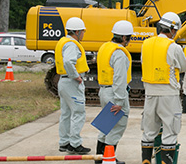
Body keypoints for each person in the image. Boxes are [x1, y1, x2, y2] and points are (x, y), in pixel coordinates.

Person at [140, 12, 186, 164]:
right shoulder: (173, 47)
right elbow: (184, 66)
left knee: (149, 132)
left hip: (150, 93)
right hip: (168, 93)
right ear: (173, 29)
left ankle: (146, 161)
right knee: (170, 131)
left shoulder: (145, 44)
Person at [94, 20, 134, 164]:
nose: (129, 40)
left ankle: (98, 158)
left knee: (105, 126)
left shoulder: (105, 47)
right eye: (129, 37)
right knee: (117, 126)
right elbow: (119, 79)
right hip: (114, 92)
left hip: (104, 90)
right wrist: (119, 101)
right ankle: (108, 159)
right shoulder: (120, 54)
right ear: (124, 38)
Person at [55, 17, 91, 154]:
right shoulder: (71, 44)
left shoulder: (63, 42)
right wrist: (76, 76)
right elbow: (69, 62)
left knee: (66, 113)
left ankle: (64, 142)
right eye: (82, 31)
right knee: (78, 112)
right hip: (71, 82)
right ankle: (75, 144)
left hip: (63, 81)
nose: (83, 34)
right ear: (76, 31)